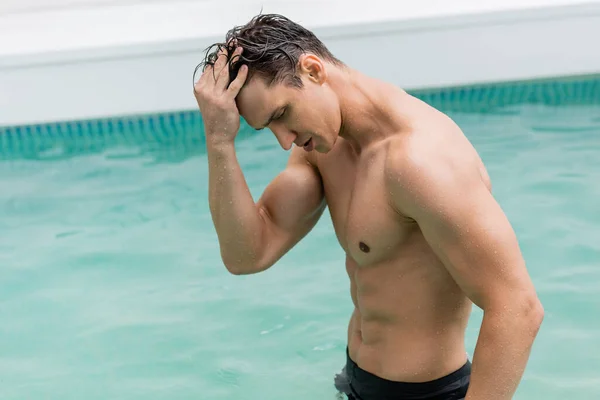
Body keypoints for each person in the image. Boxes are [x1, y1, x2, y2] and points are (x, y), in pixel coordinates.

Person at [193, 14, 544, 400]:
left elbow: (517, 308)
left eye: (281, 115)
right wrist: (219, 140)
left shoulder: (419, 161)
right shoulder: (323, 148)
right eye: (269, 128)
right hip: (357, 379)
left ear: (312, 70)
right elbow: (248, 254)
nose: (284, 140)